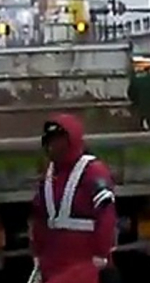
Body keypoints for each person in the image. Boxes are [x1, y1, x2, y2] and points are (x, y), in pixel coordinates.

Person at [30, 113, 120, 283]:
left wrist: (101, 254)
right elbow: (40, 219)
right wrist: (38, 253)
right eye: (51, 141)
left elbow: (106, 215)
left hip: (84, 263)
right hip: (53, 263)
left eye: (59, 140)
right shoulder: (48, 177)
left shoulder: (93, 171)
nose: (53, 146)